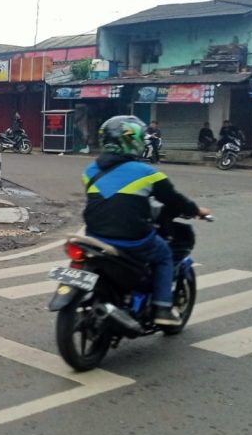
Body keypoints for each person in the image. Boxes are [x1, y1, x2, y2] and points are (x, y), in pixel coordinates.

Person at [83, 116, 210, 327]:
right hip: (132, 240)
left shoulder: (89, 171)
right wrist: (197, 210)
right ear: (133, 141)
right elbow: (175, 200)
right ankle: (162, 307)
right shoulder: (148, 173)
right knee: (164, 255)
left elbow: (112, 201)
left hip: (95, 237)